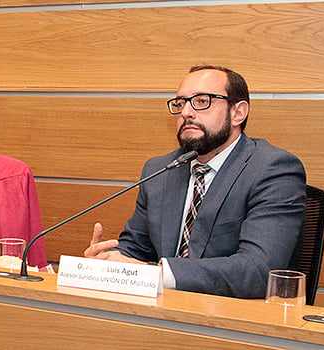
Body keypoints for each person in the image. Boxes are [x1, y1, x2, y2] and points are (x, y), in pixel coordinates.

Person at [84, 65, 306, 298]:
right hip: (161, 314)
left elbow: (259, 270)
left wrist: (160, 273)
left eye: (202, 101)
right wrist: (108, 263)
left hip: (231, 321)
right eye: (181, 103)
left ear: (237, 113)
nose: (186, 112)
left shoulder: (273, 169)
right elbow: (136, 249)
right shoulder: (160, 170)